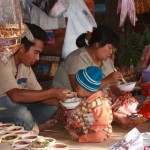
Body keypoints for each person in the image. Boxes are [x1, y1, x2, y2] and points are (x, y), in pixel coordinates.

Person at [53, 25, 139, 128]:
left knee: (130, 100)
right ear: (98, 44)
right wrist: (108, 80)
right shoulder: (77, 58)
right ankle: (112, 116)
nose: (111, 52)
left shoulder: (107, 61)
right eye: (109, 48)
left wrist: (119, 90)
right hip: (75, 103)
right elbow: (80, 91)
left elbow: (110, 88)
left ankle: (109, 115)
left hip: (100, 102)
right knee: (79, 116)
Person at [0, 23, 73, 133]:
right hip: (6, 111)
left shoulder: (25, 66)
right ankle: (34, 128)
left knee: (51, 106)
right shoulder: (3, 62)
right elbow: (15, 96)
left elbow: (40, 95)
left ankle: (28, 127)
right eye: (36, 52)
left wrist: (68, 103)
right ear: (22, 47)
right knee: (21, 113)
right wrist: (54, 92)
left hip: (16, 109)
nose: (37, 58)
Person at [65, 66, 113, 143]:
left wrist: (93, 129)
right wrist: (78, 124)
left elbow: (102, 121)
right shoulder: (86, 99)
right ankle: (82, 131)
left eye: (78, 87)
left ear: (88, 90)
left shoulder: (99, 103)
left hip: (99, 129)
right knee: (72, 121)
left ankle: (81, 138)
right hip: (87, 125)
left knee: (98, 137)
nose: (76, 89)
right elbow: (85, 116)